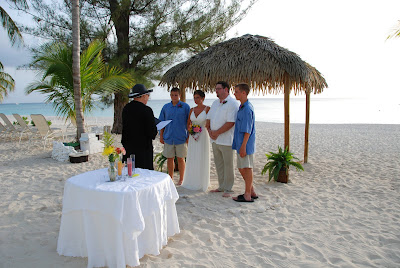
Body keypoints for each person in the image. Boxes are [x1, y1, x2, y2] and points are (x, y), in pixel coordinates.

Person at [206, 81, 239, 197]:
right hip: (214, 140)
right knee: (218, 164)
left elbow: (231, 122)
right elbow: (208, 118)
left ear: (226, 89)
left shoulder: (233, 103)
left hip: (226, 140)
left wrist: (217, 132)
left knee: (228, 164)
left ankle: (228, 188)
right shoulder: (215, 103)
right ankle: (221, 186)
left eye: (219, 88)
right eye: (216, 89)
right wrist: (210, 131)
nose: (216, 91)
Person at [121, 84, 158, 169]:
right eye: (148, 95)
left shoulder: (126, 108)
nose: (148, 98)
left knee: (130, 174)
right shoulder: (147, 110)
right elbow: (152, 133)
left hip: (129, 148)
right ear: (143, 96)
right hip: (143, 150)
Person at [231, 83, 257, 202]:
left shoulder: (247, 109)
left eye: (236, 91)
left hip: (245, 143)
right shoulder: (242, 107)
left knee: (246, 167)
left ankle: (247, 194)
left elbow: (247, 130)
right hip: (240, 142)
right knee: (242, 167)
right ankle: (251, 190)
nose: (234, 93)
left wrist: (243, 146)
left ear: (243, 93)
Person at [159, 87, 190, 184]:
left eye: (176, 95)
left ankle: (181, 179)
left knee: (181, 158)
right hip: (168, 137)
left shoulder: (185, 107)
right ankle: (170, 178)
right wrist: (161, 136)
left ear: (180, 95)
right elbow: (162, 122)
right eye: (172, 95)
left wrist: (188, 136)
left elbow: (189, 123)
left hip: (181, 137)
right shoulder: (165, 107)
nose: (174, 97)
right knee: (169, 158)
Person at [181, 90, 211, 191]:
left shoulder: (207, 109)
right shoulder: (191, 109)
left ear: (203, 98)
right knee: (193, 156)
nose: (195, 100)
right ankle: (191, 180)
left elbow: (210, 123)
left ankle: (202, 181)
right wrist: (191, 133)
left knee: (202, 156)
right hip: (193, 136)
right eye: (194, 98)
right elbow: (188, 123)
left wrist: (201, 129)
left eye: (197, 97)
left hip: (203, 135)